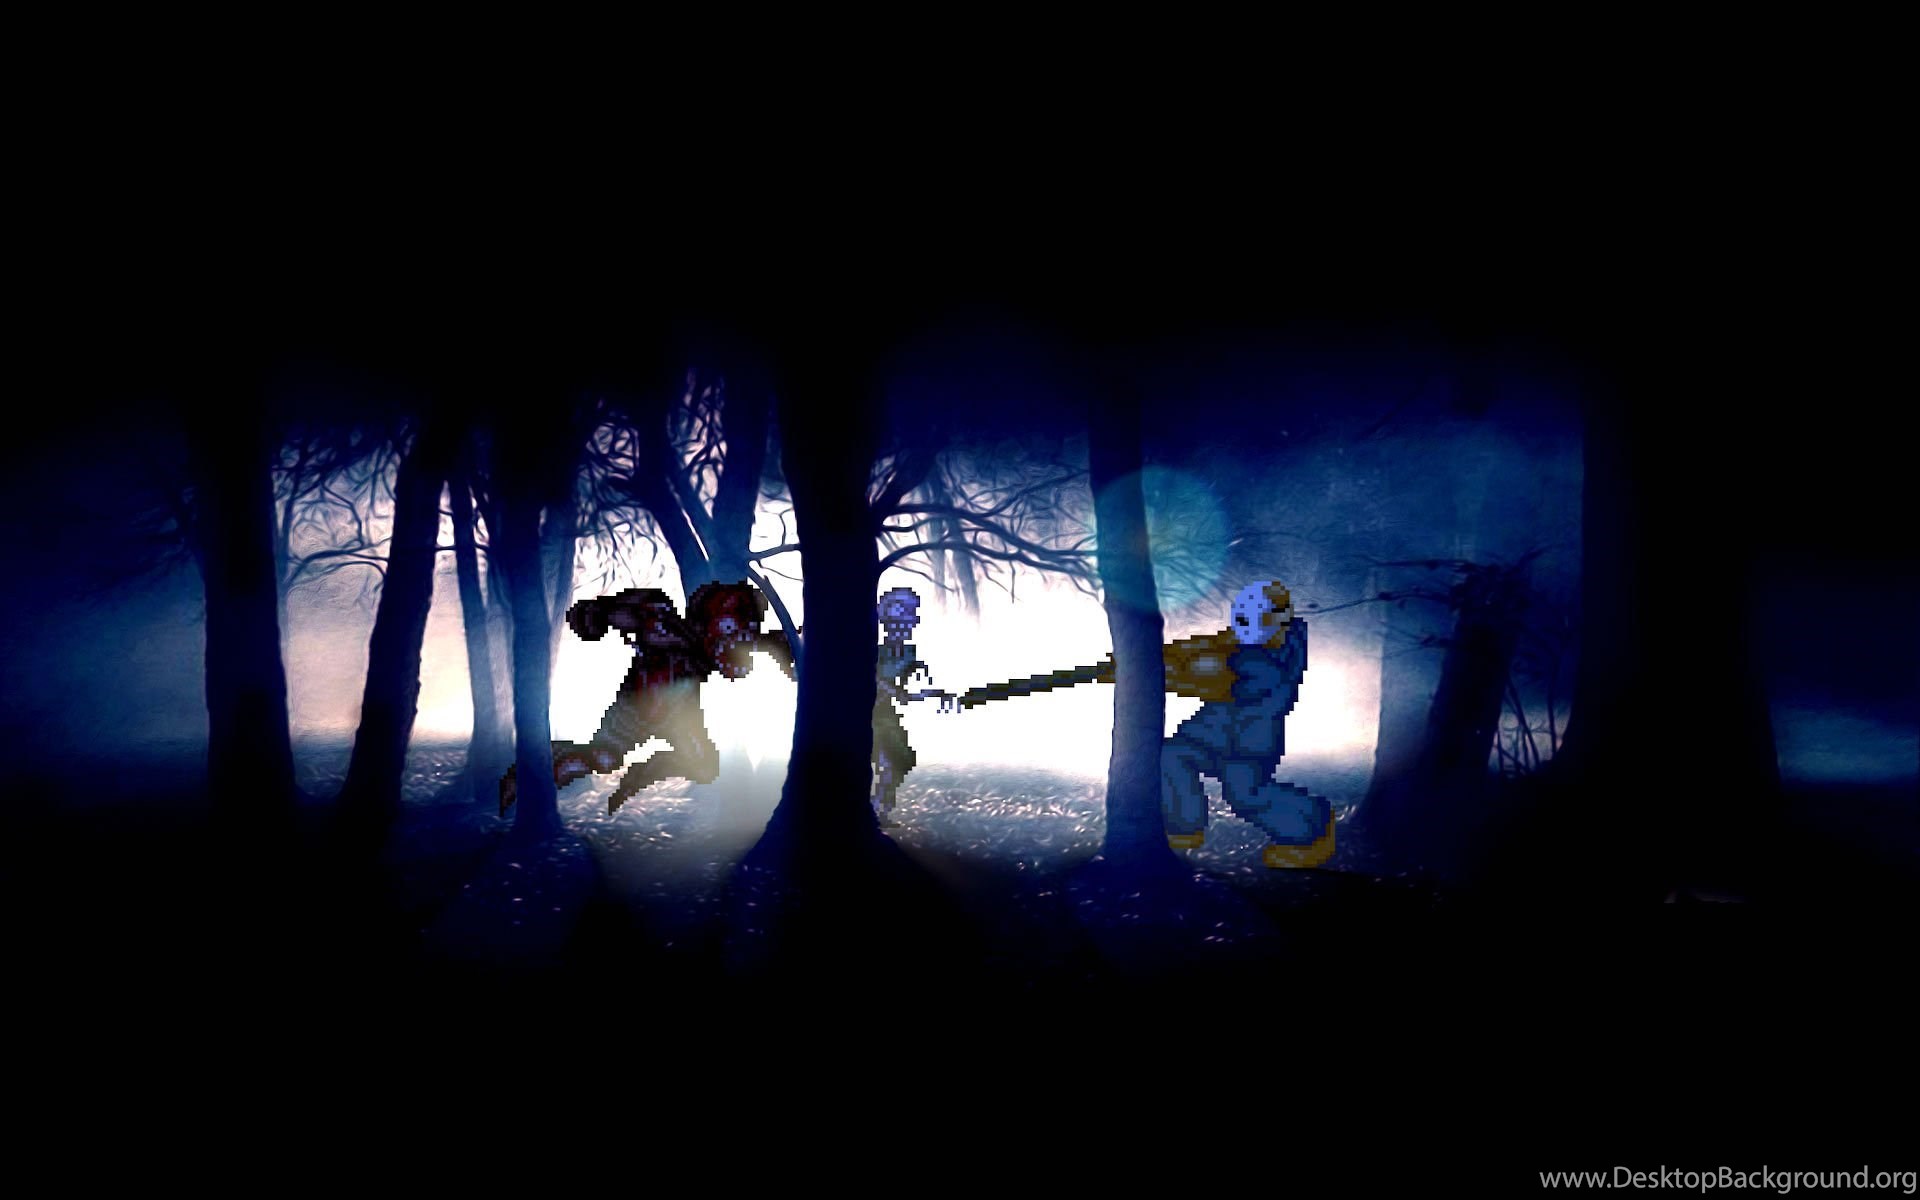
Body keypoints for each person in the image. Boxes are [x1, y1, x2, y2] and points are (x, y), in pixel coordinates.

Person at [499, 580, 795, 815]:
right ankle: (526, 778)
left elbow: (754, 651)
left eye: (745, 627)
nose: (739, 636)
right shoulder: (662, 622)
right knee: (604, 756)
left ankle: (640, 776)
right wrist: (599, 614)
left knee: (702, 764)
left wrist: (787, 647)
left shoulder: (712, 642)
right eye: (731, 626)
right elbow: (611, 614)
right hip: (637, 709)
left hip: (678, 716)